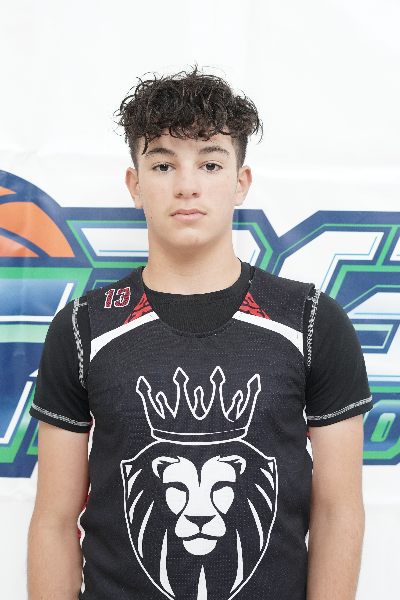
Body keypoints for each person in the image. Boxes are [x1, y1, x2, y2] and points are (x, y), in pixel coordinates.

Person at [27, 67, 372, 600]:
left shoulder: (310, 321)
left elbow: (338, 510)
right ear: (135, 185)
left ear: (241, 182)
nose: (187, 185)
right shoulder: (83, 327)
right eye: (163, 164)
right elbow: (53, 519)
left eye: (210, 163)